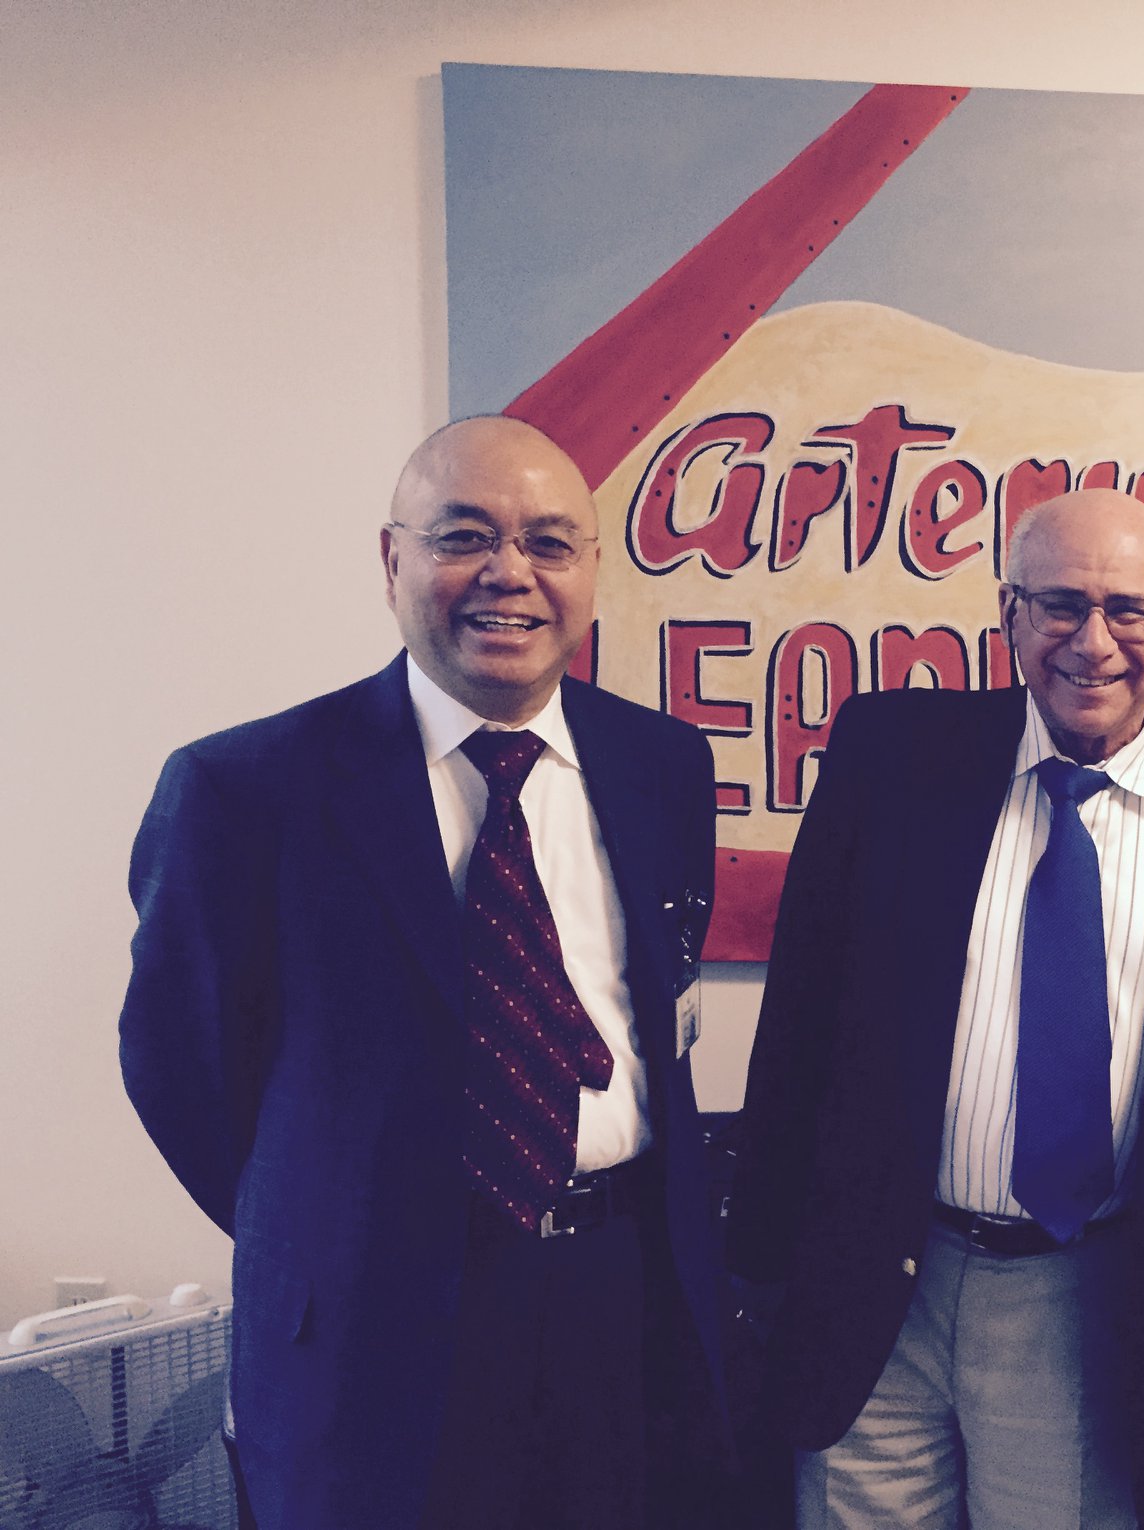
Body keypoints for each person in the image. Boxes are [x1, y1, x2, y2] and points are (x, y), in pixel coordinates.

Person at [119, 415, 726, 1529]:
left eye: (550, 541)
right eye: (464, 536)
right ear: (392, 560)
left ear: (590, 570)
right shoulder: (245, 791)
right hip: (367, 1323)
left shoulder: (663, 763)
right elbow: (181, 1072)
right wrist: (339, 1222)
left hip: (620, 1297)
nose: (511, 573)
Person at [723, 488, 1144, 1529]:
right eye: (1060, 606)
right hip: (876, 1283)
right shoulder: (892, 757)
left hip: (1089, 1294)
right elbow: (800, 1023)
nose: (1093, 643)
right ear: (1008, 614)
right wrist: (762, 1266)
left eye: (1129, 610)